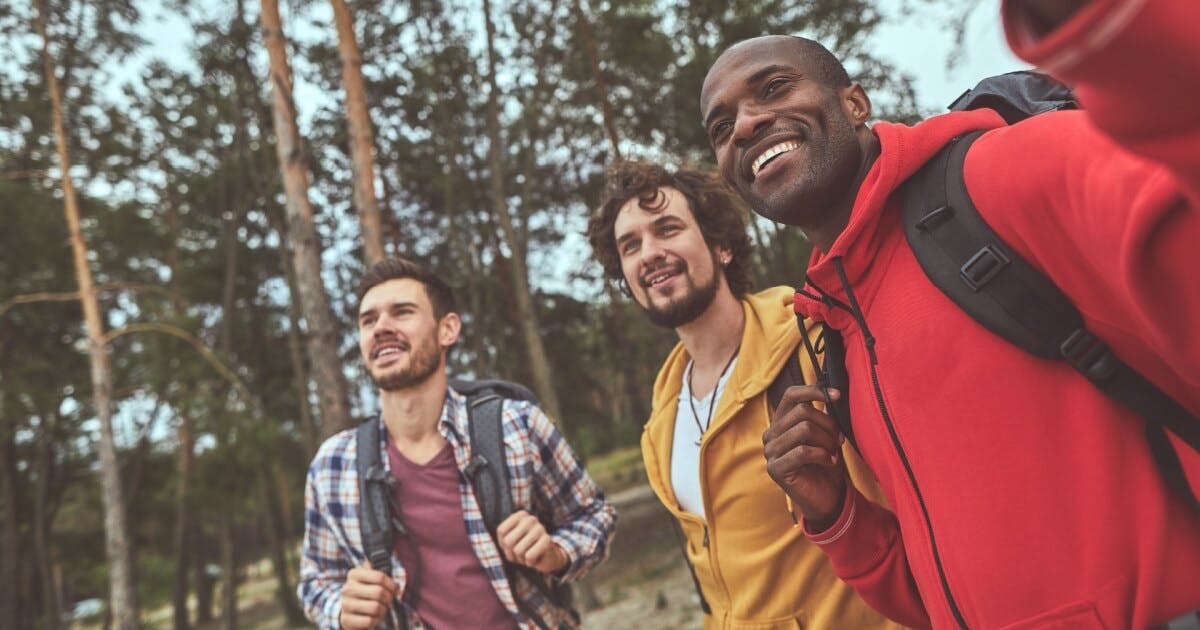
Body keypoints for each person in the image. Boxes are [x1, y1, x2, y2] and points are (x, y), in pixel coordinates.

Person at [698, 1, 1200, 628]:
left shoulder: (1003, 176)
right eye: (720, 128)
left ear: (855, 104)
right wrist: (837, 518)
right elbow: (943, 600)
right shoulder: (836, 336)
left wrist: (1121, 26)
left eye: (773, 87)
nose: (744, 126)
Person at [586, 161, 900, 629]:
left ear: (723, 246)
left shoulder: (818, 342)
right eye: (630, 245)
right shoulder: (660, 423)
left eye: (667, 229)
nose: (649, 253)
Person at [297, 258, 616, 629]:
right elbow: (315, 581)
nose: (381, 327)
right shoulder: (332, 466)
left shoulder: (517, 426)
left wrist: (555, 552)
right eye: (368, 320)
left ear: (447, 329)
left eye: (402, 312)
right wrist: (340, 609)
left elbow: (595, 517)